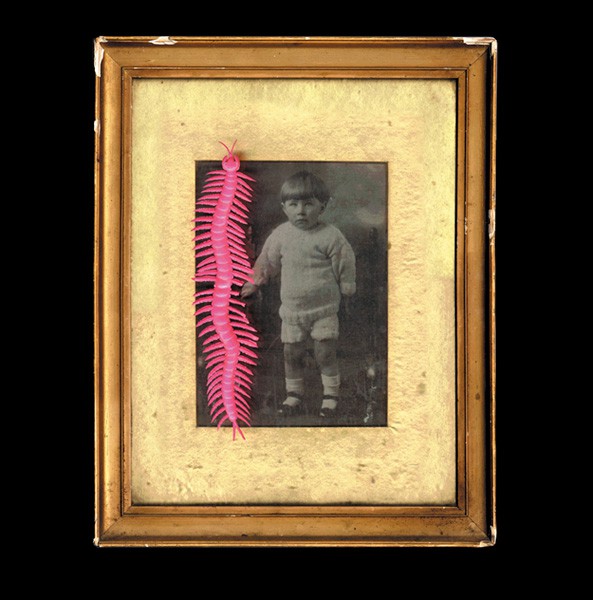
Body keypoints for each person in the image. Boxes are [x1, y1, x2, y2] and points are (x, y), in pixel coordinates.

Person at [241, 171, 356, 418]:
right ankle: (294, 394)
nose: (301, 211)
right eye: (293, 205)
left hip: (324, 309)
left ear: (322, 207)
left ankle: (330, 395)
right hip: (292, 311)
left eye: (308, 204)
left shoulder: (331, 235)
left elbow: (345, 262)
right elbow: (266, 261)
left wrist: (347, 285)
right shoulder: (281, 235)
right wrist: (254, 282)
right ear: (284, 208)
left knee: (324, 352)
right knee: (291, 353)